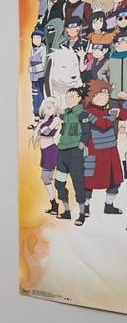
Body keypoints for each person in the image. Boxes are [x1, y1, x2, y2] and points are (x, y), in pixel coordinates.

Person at [82, 79, 125, 218]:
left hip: (111, 150)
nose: (103, 97)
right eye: (99, 94)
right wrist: (114, 114)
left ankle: (109, 206)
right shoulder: (88, 112)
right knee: (89, 182)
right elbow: (103, 124)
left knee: (115, 180)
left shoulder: (108, 109)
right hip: (94, 151)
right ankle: (85, 207)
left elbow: (124, 114)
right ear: (91, 96)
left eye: (106, 94)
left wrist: (124, 101)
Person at [55, 86, 89, 224]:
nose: (69, 100)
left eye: (72, 97)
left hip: (75, 152)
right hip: (62, 152)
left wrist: (81, 146)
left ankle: (81, 214)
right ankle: (67, 211)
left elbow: (87, 132)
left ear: (79, 99)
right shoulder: (66, 114)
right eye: (67, 97)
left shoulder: (82, 114)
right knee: (59, 183)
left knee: (78, 183)